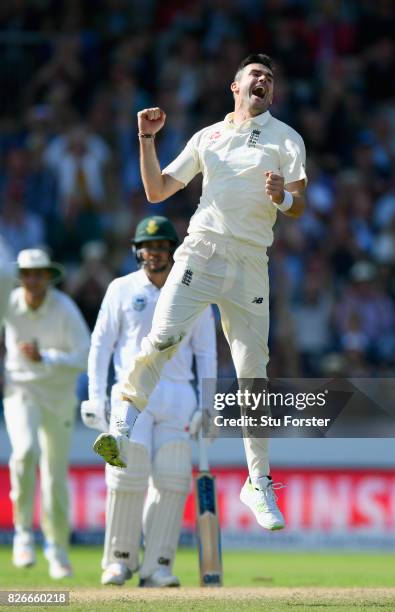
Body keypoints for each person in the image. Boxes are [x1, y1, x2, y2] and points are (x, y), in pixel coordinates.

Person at [94, 53, 307, 530]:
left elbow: (298, 200)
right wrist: (146, 138)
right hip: (203, 252)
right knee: (163, 338)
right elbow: (156, 190)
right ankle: (122, 428)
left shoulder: (286, 137)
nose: (263, 83)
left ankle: (258, 482)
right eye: (255, 76)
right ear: (235, 86)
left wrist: (283, 197)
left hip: (252, 260)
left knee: (254, 372)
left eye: (269, 79)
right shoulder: (207, 136)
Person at [83, 215, 216, 586]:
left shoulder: (195, 293)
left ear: (172, 251)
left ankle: (158, 565)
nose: (154, 254)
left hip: (177, 396)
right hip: (131, 397)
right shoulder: (121, 289)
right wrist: (96, 397)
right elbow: (101, 345)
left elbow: (206, 353)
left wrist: (208, 406)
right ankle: (119, 561)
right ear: (137, 251)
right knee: (128, 475)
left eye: (161, 247)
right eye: (148, 247)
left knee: (173, 480)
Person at [2, 248, 90, 578]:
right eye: (27, 273)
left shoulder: (64, 308)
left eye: (38, 273)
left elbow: (85, 354)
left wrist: (48, 358)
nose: (32, 279)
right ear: (20, 276)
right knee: (25, 452)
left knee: (54, 474)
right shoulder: (9, 303)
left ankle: (57, 547)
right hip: (21, 389)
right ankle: (23, 532)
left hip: (59, 396)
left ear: (48, 276)